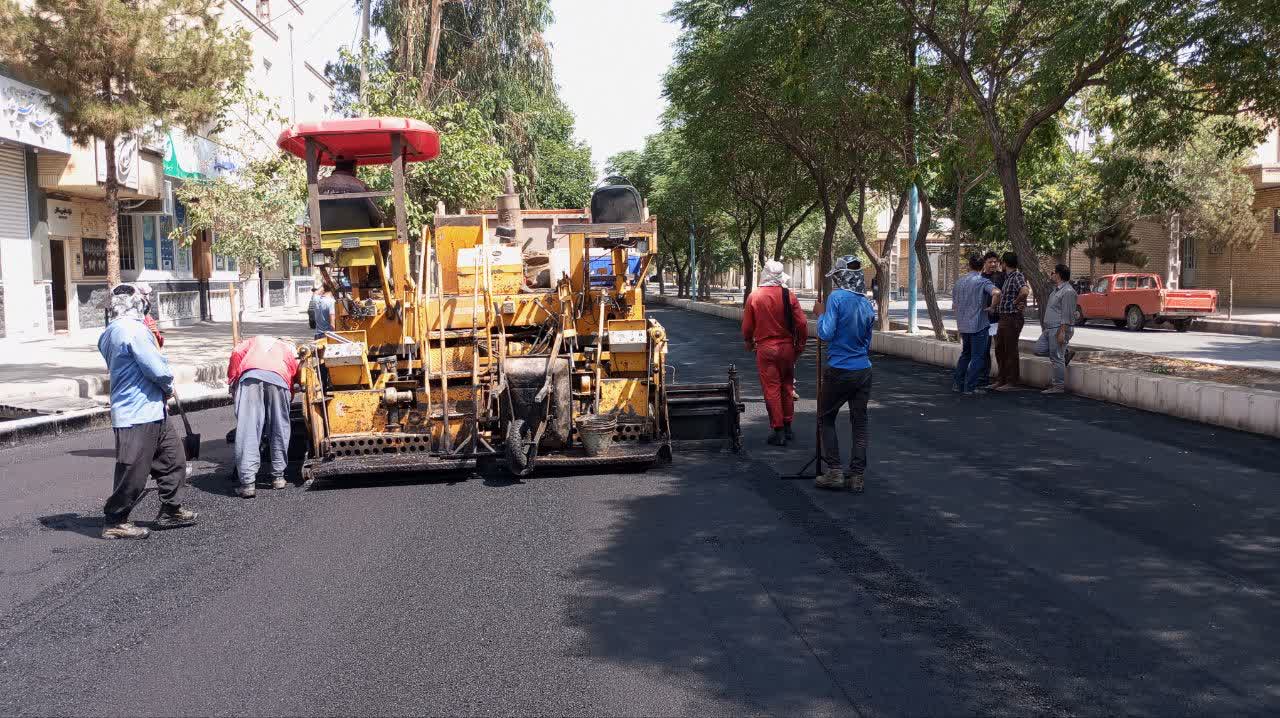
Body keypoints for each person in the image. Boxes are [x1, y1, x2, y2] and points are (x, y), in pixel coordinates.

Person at [97, 283, 198, 540]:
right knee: (133, 469)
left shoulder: (111, 331)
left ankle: (171, 509)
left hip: (152, 410)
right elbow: (157, 369)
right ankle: (116, 519)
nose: (147, 302)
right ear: (136, 303)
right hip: (136, 412)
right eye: (144, 299)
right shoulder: (133, 331)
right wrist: (167, 385)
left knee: (173, 459)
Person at [812, 256, 876, 492]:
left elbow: (826, 333)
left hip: (840, 368)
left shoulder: (837, 297)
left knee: (826, 418)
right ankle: (857, 475)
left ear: (841, 277)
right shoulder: (868, 303)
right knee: (859, 422)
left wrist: (819, 313)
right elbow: (868, 340)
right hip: (864, 369)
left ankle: (835, 471)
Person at [742, 260, 808, 446]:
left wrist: (748, 341)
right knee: (787, 387)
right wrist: (800, 345)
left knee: (771, 389)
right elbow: (802, 323)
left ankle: (777, 429)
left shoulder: (755, 296)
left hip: (766, 348)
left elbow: (747, 326)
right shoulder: (789, 295)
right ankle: (788, 426)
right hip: (787, 348)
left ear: (764, 274)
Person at [227, 335, 301, 497]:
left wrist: (233, 379)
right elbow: (295, 375)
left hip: (250, 378)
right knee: (279, 427)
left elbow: (236, 352)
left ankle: (247, 483)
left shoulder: (254, 341)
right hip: (279, 381)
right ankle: (278, 477)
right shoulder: (286, 350)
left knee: (249, 429)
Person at [952, 254, 1001, 395]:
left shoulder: (959, 282)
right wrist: (992, 307)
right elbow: (997, 292)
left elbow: (955, 305)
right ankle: (970, 387)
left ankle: (958, 384)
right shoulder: (982, 281)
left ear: (969, 265)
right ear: (983, 266)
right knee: (977, 357)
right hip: (979, 324)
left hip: (963, 324)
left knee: (965, 354)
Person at [1035, 264, 1078, 394]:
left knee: (1056, 358)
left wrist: (1062, 331)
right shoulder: (1056, 290)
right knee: (1038, 349)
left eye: (1053, 272)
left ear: (1058, 275)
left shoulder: (1068, 292)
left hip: (1059, 328)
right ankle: (1065, 354)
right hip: (1049, 328)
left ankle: (1058, 387)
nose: (1051, 274)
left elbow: (1067, 314)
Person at [992, 252, 1030, 391]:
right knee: (1000, 349)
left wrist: (1016, 302)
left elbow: (1025, 291)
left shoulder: (1017, 276)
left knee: (1010, 349)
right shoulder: (1008, 278)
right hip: (1004, 317)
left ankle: (1012, 381)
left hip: (1012, 318)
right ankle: (1001, 379)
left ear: (1005, 263)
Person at [318, 158, 386, 230]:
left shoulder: (320, 184)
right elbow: (375, 216)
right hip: (359, 233)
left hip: (325, 232)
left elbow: (310, 214)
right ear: (353, 168)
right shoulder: (360, 185)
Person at [979, 250, 1005, 388]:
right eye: (990, 262)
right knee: (984, 349)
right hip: (984, 319)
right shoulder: (980, 278)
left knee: (1001, 349)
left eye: (995, 262)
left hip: (1000, 319)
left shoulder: (1002, 277)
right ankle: (984, 376)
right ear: (985, 263)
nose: (993, 264)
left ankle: (1002, 378)